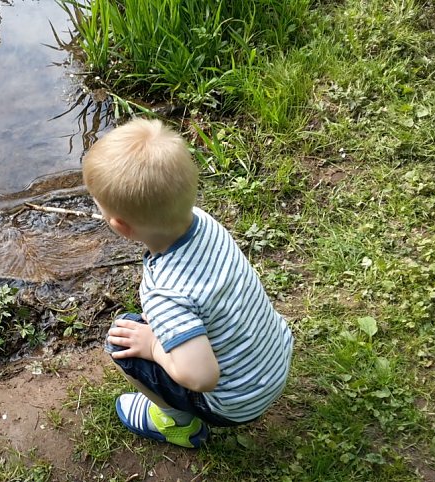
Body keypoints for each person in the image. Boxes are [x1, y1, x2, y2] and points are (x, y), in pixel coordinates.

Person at [82, 118, 293, 448]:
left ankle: (178, 425)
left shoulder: (164, 292)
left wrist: (153, 347)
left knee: (123, 343)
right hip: (274, 361)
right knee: (152, 331)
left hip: (237, 403)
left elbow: (201, 377)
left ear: (120, 226)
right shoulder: (204, 223)